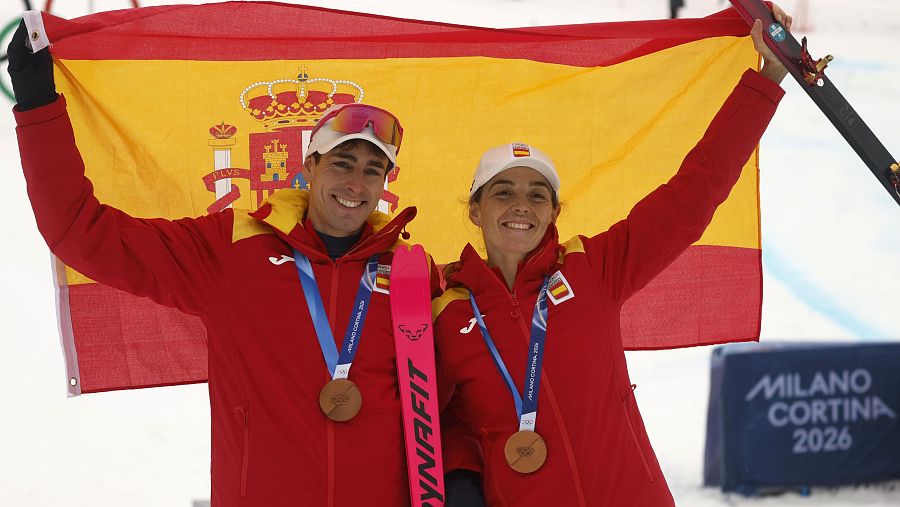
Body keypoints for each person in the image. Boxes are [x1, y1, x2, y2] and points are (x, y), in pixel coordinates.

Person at [8, 19, 471, 505]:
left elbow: (460, 400)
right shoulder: (232, 247)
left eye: (372, 170)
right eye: (342, 163)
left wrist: (461, 480)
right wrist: (39, 107)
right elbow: (82, 234)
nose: (356, 184)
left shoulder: (413, 275)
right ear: (309, 167)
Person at [433, 6, 792, 506]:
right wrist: (462, 482)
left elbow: (692, 195)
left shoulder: (594, 269)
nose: (521, 206)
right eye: (502, 192)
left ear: (555, 211)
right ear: (475, 210)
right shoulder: (445, 309)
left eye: (537, 195)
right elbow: (438, 417)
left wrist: (766, 79)